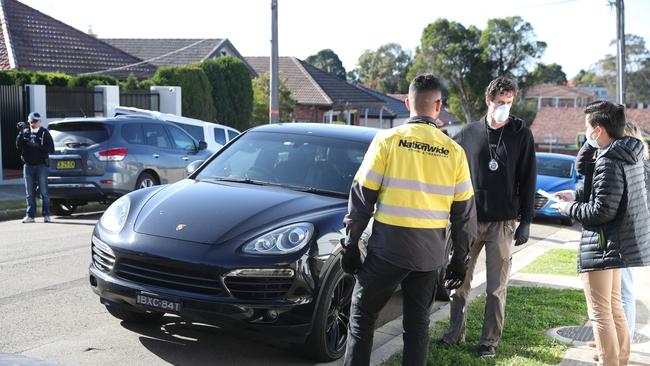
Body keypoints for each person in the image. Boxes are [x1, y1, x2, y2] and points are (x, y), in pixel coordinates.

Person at [341, 74, 477, 366]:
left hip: (387, 251)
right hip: (428, 257)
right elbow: (465, 213)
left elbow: (362, 196)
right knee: (417, 328)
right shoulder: (454, 152)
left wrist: (350, 243)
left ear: (407, 102)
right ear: (438, 105)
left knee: (362, 317)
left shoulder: (388, 140)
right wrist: (459, 258)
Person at [439, 76, 537, 358]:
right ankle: (454, 333)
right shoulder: (468, 134)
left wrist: (526, 220)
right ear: (488, 101)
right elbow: (449, 171)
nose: (504, 107)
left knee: (496, 287)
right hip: (469, 220)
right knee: (459, 283)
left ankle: (488, 342)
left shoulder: (521, 134)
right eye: (499, 102)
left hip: (503, 223)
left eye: (509, 102)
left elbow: (528, 178)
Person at [554, 101, 650, 366]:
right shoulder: (630, 156)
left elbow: (601, 211)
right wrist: (576, 196)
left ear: (598, 130)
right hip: (616, 244)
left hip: (602, 244)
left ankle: (609, 362)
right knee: (615, 307)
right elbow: (609, 197)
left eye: (587, 127)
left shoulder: (609, 159)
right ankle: (620, 360)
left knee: (600, 313)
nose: (585, 133)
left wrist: (568, 207)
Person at [15, 112, 54, 223]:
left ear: (39, 121)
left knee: (44, 192)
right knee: (29, 193)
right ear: (29, 122)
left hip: (41, 165)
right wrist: (20, 132)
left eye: (37, 121)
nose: (35, 123)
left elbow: (51, 149)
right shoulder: (25, 132)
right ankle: (30, 216)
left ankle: (46, 215)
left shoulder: (44, 133)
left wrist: (38, 146)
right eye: (32, 121)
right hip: (28, 166)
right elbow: (18, 146)